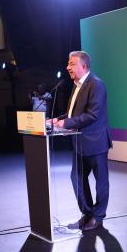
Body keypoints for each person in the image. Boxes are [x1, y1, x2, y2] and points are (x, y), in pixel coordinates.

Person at [51, 51, 112, 232]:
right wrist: (57, 120)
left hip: (96, 142)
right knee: (77, 178)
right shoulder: (77, 85)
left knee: (101, 182)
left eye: (72, 64)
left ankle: (98, 217)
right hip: (79, 142)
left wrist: (66, 123)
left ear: (83, 66)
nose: (67, 67)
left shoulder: (96, 85)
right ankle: (87, 213)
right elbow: (74, 114)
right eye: (68, 63)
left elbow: (92, 115)